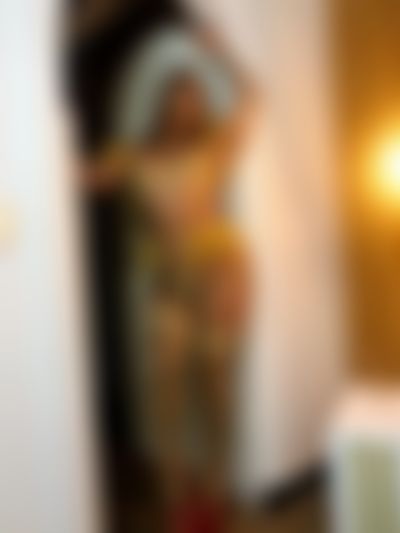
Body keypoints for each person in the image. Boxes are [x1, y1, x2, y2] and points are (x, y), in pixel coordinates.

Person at [87, 25, 254, 533]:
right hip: (168, 289)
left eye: (196, 98)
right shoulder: (134, 154)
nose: (188, 105)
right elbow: (84, 176)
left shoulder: (215, 147)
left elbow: (254, 98)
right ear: (164, 104)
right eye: (180, 96)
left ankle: (216, 495)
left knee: (217, 395)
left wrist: (224, 52)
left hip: (218, 279)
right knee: (166, 401)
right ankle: (176, 503)